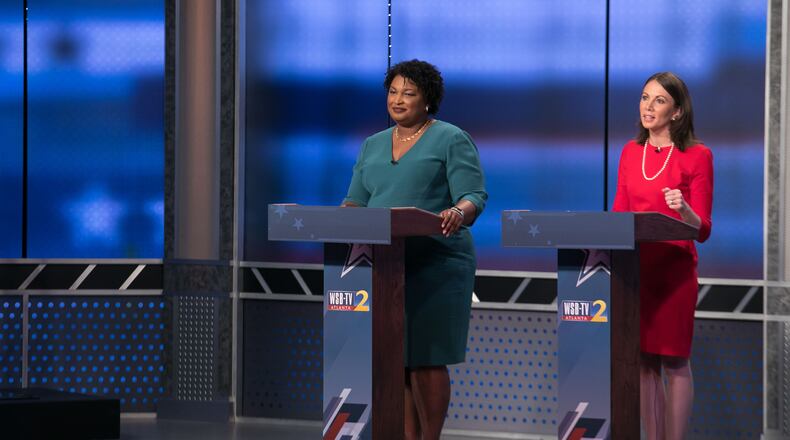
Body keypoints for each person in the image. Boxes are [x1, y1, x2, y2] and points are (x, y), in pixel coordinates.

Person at [342, 59, 487, 440]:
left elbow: (474, 195)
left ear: (428, 100)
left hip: (438, 261)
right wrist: (338, 220)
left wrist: (458, 211)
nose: (398, 100)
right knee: (399, 359)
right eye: (393, 92)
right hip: (387, 263)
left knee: (426, 356)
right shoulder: (372, 144)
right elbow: (355, 202)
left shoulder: (451, 138)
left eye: (408, 93)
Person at [612, 72, 713, 440]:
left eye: (659, 100)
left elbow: (703, 228)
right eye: (644, 98)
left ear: (677, 111)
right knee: (643, 362)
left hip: (674, 274)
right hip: (636, 272)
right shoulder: (630, 152)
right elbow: (619, 215)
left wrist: (684, 209)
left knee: (674, 361)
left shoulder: (698, 156)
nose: (648, 106)